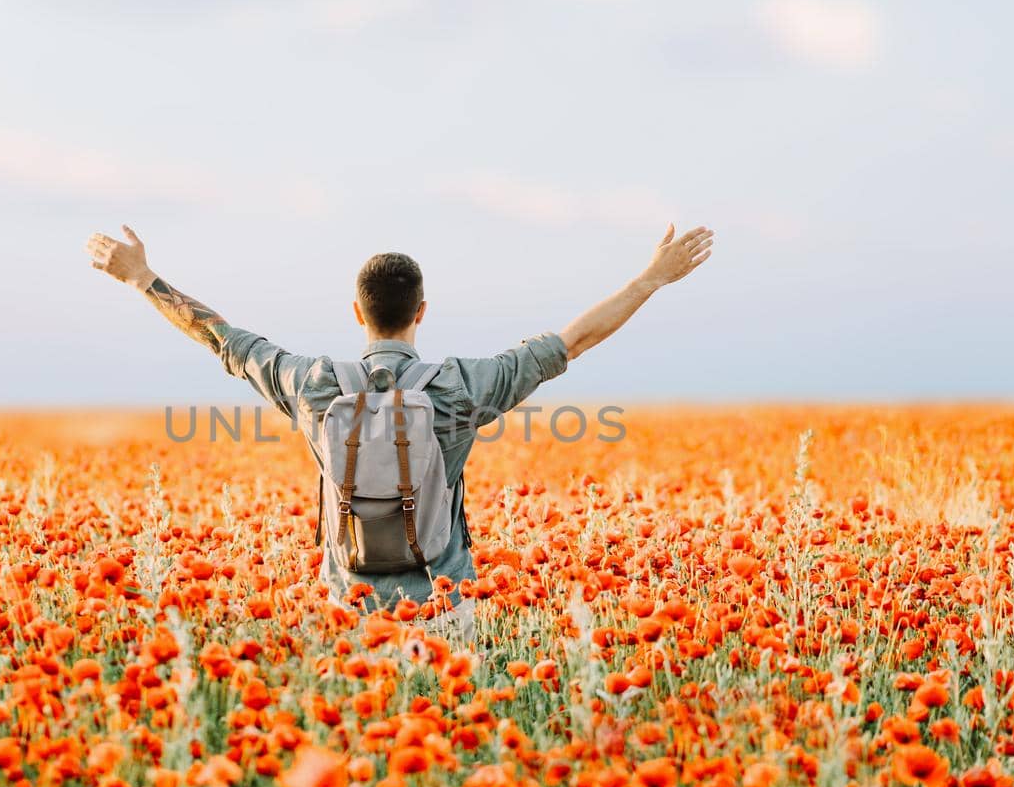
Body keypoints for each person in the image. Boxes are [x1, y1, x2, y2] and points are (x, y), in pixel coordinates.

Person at [86, 224, 713, 635]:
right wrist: (650, 279)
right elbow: (574, 341)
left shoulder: (313, 385)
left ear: (357, 313)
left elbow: (219, 335)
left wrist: (142, 278)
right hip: (444, 608)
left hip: (350, 612)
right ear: (421, 312)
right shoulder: (462, 386)